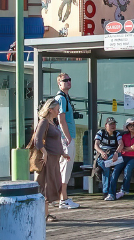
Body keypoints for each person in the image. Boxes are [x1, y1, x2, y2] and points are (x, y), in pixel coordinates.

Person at [28, 98, 70, 222]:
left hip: (55, 158)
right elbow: (37, 140)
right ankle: (44, 214)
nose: (59, 111)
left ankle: (45, 213)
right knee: (46, 185)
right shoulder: (44, 122)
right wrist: (44, 152)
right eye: (57, 109)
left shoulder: (53, 123)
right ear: (50, 110)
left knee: (52, 184)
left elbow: (55, 141)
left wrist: (63, 154)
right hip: (48, 159)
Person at [54, 72, 80, 209]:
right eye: (65, 80)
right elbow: (61, 119)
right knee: (65, 167)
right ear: (59, 83)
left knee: (65, 167)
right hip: (66, 138)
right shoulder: (61, 98)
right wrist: (68, 137)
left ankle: (63, 197)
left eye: (69, 80)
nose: (68, 82)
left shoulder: (65, 97)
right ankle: (63, 199)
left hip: (66, 137)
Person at [93, 117, 123, 200]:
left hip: (112, 155)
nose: (113, 126)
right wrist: (102, 152)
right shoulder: (101, 132)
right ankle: (107, 191)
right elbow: (96, 145)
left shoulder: (117, 134)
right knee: (106, 166)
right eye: (111, 124)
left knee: (109, 166)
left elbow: (121, 144)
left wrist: (116, 153)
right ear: (106, 125)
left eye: (114, 124)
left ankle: (107, 192)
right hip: (102, 155)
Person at [115, 117, 134, 199]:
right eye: (130, 125)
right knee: (116, 169)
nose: (132, 127)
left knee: (127, 169)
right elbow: (122, 146)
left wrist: (125, 148)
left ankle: (123, 190)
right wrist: (128, 148)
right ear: (127, 127)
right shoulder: (124, 136)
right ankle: (111, 190)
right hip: (124, 157)